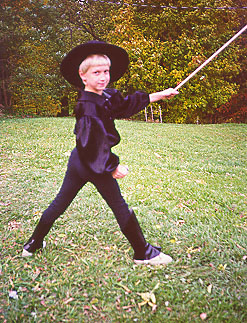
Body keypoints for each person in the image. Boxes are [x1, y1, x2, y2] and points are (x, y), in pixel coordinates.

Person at [22, 41, 179, 265]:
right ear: (83, 76)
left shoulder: (104, 96)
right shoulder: (87, 106)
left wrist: (160, 95)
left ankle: (34, 243)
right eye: (97, 72)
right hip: (92, 163)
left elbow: (125, 105)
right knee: (118, 205)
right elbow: (91, 145)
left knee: (60, 203)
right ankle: (143, 253)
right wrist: (112, 166)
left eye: (106, 71)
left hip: (79, 161)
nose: (103, 77)